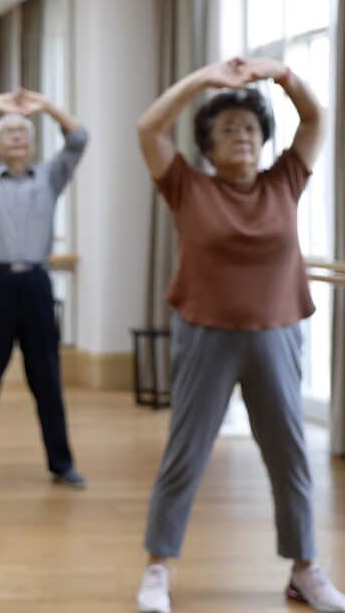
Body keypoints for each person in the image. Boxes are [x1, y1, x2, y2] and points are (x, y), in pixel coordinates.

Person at [133, 57, 345, 613]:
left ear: (263, 140)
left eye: (250, 128)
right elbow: (149, 128)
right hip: (205, 335)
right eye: (228, 129)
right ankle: (158, 567)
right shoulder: (186, 186)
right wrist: (204, 79)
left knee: (289, 456)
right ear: (208, 144)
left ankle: (305, 569)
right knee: (186, 454)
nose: (241, 136)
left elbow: (317, 118)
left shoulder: (286, 181)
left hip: (275, 336)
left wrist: (283, 75)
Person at [0, 88, 88, 490]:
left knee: (47, 377)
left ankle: (62, 464)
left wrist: (45, 107)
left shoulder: (50, 176)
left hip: (36, 286)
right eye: (8, 132)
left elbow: (79, 139)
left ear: (33, 142)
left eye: (23, 133)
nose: (17, 138)